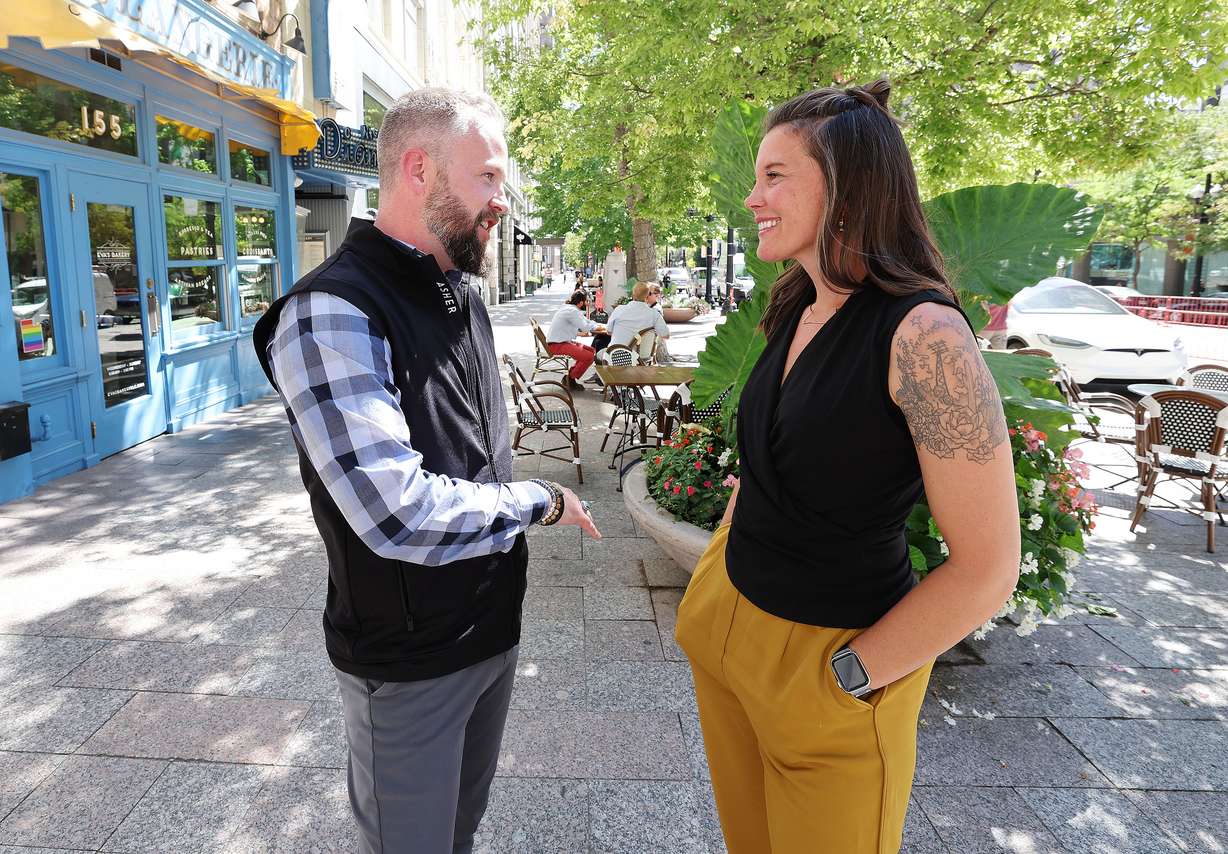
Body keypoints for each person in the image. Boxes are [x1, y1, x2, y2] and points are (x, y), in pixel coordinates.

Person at [251, 88, 601, 854]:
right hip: (408, 664)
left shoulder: (463, 295)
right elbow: (396, 511)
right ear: (417, 169)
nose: (500, 201)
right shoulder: (331, 312)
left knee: (458, 834)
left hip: (489, 631)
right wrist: (537, 501)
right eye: (488, 178)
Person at [674, 79, 1020, 854]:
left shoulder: (924, 336)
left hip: (831, 663)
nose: (752, 196)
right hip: (728, 625)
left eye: (774, 175)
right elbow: (766, 465)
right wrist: (716, 573)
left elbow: (991, 567)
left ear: (848, 185)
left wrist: (850, 680)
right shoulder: (797, 301)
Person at [546, 289, 604, 386]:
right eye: (586, 301)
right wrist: (598, 327)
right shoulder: (572, 311)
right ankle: (571, 379)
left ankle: (570, 376)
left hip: (560, 342)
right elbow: (585, 327)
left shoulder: (569, 308)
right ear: (581, 302)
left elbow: (586, 321)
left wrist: (597, 325)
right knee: (589, 356)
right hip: (557, 345)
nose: (587, 303)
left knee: (591, 350)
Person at [607, 281, 670, 357]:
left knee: (600, 352)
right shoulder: (654, 314)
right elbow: (666, 335)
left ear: (633, 295)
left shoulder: (619, 310)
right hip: (641, 358)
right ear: (647, 296)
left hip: (617, 357)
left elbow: (609, 331)